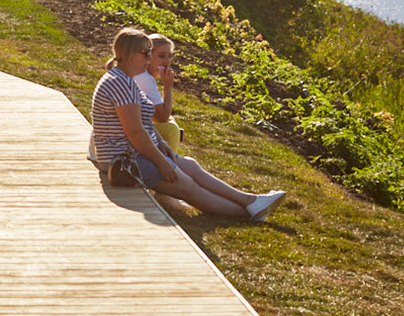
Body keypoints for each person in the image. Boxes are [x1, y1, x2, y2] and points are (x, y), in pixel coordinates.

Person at [91, 27, 286, 221]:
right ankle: (248, 213)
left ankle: (252, 201)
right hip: (125, 161)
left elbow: (143, 123)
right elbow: (135, 133)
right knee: (188, 186)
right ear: (130, 54)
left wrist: (161, 144)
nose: (149, 59)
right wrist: (161, 162)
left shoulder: (126, 80)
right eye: (146, 53)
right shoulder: (120, 84)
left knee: (190, 166)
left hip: (136, 153)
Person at [135, 34, 182, 154]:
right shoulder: (145, 79)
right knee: (172, 130)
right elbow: (163, 116)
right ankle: (171, 164)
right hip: (130, 132)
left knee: (170, 123)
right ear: (148, 57)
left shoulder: (143, 75)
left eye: (169, 56)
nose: (167, 61)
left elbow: (156, 114)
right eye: (161, 56)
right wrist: (167, 86)